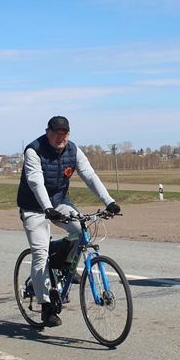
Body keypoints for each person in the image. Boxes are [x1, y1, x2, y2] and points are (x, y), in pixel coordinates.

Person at [17, 115, 120, 327]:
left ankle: (64, 264)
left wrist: (109, 201)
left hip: (59, 201)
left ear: (69, 134)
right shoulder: (33, 150)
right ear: (48, 132)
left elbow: (90, 176)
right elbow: (36, 182)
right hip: (34, 207)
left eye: (64, 134)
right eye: (56, 134)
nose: (60, 138)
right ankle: (46, 306)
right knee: (40, 254)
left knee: (82, 232)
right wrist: (47, 209)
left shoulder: (73, 150)